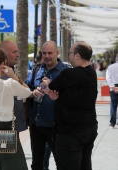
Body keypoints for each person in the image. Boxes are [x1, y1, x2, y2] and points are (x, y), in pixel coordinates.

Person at [42, 41, 98, 170]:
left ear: (77, 55)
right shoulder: (91, 72)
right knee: (85, 165)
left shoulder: (70, 74)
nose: (69, 56)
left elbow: (50, 87)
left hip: (70, 132)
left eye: (70, 53)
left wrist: (48, 86)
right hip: (88, 128)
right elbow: (75, 93)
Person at [25, 41, 68, 170]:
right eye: (44, 53)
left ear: (57, 53)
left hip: (55, 125)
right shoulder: (37, 69)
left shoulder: (65, 72)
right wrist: (32, 92)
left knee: (61, 162)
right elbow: (27, 87)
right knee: (37, 164)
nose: (47, 56)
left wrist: (52, 85)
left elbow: (70, 96)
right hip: (36, 124)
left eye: (50, 53)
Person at [0, 40, 27, 132]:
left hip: (13, 129)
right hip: (4, 130)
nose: (18, 55)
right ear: (3, 54)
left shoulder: (10, 71)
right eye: (14, 52)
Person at [106, 55, 118, 128]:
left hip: (113, 86)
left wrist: (113, 87)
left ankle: (112, 123)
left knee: (113, 106)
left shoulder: (110, 67)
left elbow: (108, 78)